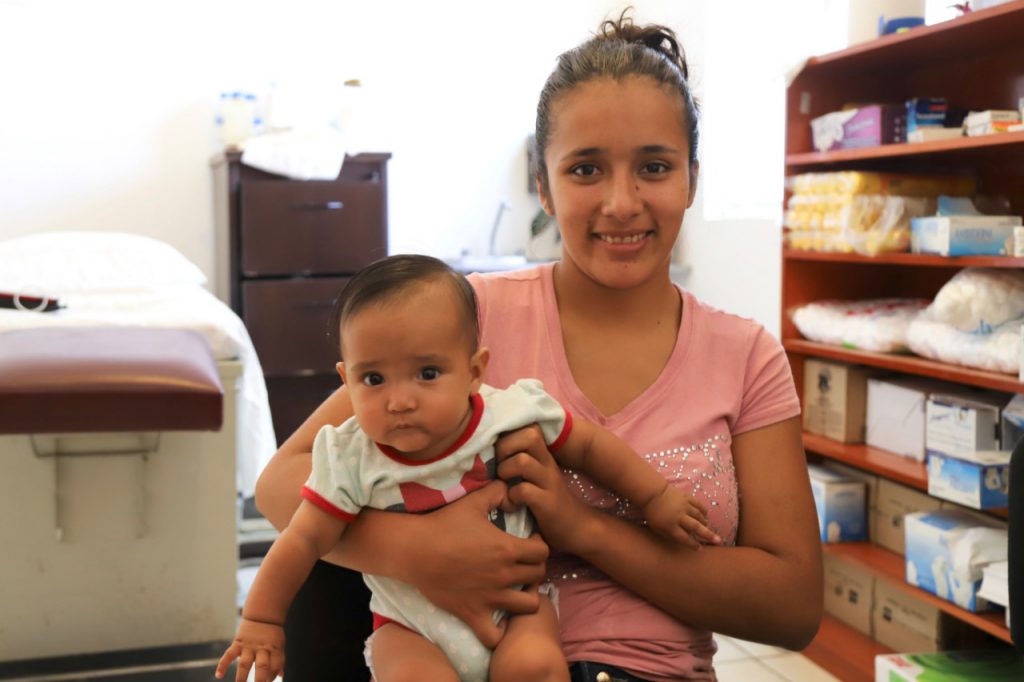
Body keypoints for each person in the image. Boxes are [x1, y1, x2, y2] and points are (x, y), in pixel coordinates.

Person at [255, 11, 823, 682]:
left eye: (654, 166)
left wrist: (583, 529)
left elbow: (792, 608)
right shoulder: (467, 318)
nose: (621, 202)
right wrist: (417, 551)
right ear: (542, 186)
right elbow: (280, 484)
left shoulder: (747, 356)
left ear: (692, 179)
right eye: (585, 169)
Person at [219, 255, 719, 682]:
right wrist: (261, 620)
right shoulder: (351, 456)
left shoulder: (508, 412)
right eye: (373, 379)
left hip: (516, 607)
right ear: (346, 380)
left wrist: (656, 497)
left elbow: (588, 445)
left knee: (536, 665)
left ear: (475, 371)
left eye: (427, 373)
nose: (400, 400)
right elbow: (302, 539)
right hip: (408, 625)